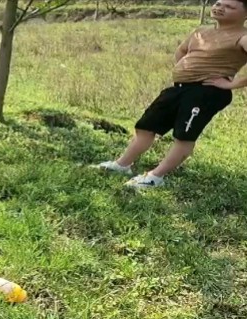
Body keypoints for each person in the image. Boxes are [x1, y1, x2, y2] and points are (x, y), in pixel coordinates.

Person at [95, 0, 247, 189]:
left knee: (184, 136)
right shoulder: (200, 32)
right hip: (180, 87)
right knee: (146, 126)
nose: (219, 7)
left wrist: (232, 84)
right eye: (218, 3)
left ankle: (155, 177)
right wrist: (184, 68)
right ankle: (122, 164)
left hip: (206, 92)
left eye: (229, 7)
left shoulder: (242, 36)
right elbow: (182, 51)